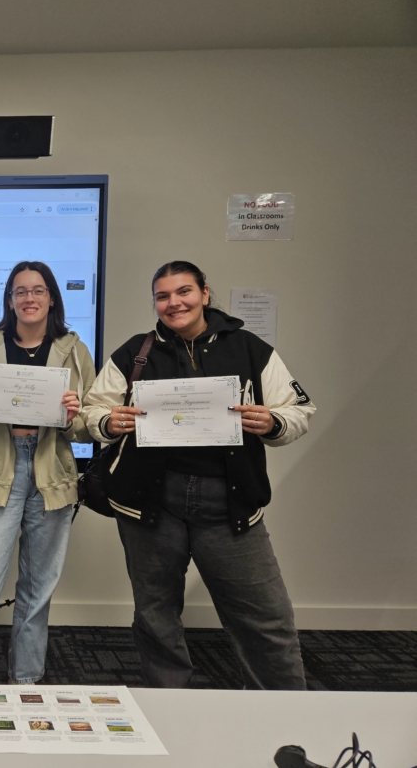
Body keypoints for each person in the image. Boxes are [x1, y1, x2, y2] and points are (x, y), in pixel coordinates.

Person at [81, 261, 315, 689]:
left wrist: (273, 423)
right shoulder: (136, 352)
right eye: (163, 296)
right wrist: (109, 422)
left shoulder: (249, 348)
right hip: (150, 504)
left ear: (205, 293)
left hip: (229, 503)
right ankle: (168, 703)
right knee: (156, 616)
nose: (174, 303)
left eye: (184, 291)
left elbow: (298, 412)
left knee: (265, 618)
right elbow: (89, 413)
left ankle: (283, 714)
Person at [0, 261, 96, 685]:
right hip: (0, 471)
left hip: (52, 477)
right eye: (20, 292)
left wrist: (71, 416)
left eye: (38, 290)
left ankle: (25, 683)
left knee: (37, 590)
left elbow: (87, 425)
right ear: (9, 300)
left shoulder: (74, 350)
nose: (29, 299)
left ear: (52, 297)